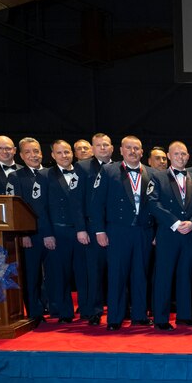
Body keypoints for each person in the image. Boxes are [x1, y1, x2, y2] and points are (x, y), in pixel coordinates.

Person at [90, 136, 154, 331]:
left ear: (142, 152)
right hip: (117, 230)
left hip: (143, 230)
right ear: (121, 150)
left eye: (137, 148)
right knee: (117, 274)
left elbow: (156, 205)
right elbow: (96, 203)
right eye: (129, 148)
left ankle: (140, 315)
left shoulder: (151, 173)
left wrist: (156, 232)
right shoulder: (109, 171)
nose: (133, 152)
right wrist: (99, 230)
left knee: (141, 274)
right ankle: (115, 318)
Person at [148, 141, 192, 330]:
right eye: (177, 154)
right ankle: (161, 319)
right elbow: (153, 203)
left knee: (186, 275)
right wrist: (174, 223)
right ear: (169, 156)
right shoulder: (157, 177)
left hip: (190, 234)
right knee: (164, 276)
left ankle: (185, 315)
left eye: (183, 154)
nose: (180, 157)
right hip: (168, 233)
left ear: (188, 156)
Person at [39, 140, 89, 323]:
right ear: (52, 155)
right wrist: (47, 233)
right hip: (58, 232)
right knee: (60, 274)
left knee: (84, 273)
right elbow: (41, 207)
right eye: (59, 153)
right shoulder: (44, 175)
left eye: (67, 152)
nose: (64, 156)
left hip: (81, 232)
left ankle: (86, 310)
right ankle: (64, 313)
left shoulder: (82, 173)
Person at [6, 138, 47, 323]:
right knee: (31, 275)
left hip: (50, 234)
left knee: (52, 275)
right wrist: (23, 234)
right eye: (29, 152)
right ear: (21, 156)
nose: (34, 155)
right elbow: (15, 207)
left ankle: (52, 308)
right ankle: (34, 312)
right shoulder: (16, 177)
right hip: (29, 235)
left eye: (36, 151)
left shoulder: (49, 174)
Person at [76, 133, 113, 325]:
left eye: (106, 145)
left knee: (117, 270)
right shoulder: (82, 167)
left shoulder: (119, 167)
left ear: (113, 148)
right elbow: (78, 200)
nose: (103, 148)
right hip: (92, 228)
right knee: (95, 271)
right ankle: (94, 311)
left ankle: (119, 308)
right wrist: (81, 228)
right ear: (92, 148)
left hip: (117, 227)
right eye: (99, 145)